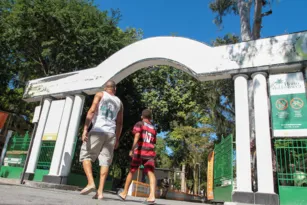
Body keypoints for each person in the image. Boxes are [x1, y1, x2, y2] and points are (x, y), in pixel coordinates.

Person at [79, 80, 123, 200]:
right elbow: (119, 123)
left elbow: (92, 111)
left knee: (85, 155)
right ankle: (100, 192)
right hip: (111, 134)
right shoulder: (119, 102)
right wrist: (117, 138)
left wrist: (85, 129)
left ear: (105, 88)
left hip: (98, 130)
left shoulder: (100, 94)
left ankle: (91, 183)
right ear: (115, 89)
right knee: (105, 162)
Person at [118, 109, 157, 205]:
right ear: (150, 118)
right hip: (149, 153)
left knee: (132, 171)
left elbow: (137, 135)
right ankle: (152, 196)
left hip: (139, 152)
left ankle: (124, 193)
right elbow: (153, 142)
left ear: (142, 116)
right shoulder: (153, 128)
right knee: (151, 173)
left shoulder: (139, 123)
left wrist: (132, 148)